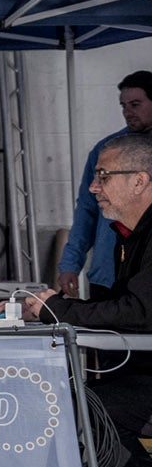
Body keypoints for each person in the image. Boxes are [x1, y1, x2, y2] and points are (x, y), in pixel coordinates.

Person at [14, 133, 152, 467]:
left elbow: (141, 310)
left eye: (103, 176)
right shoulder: (132, 233)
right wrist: (50, 305)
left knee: (94, 418)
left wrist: (56, 308)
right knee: (81, 410)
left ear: (139, 181)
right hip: (140, 364)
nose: (94, 188)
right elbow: (120, 303)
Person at [56, 72, 152, 298]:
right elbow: (88, 210)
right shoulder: (107, 150)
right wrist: (70, 263)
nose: (128, 112)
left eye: (135, 104)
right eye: (123, 105)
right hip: (108, 271)